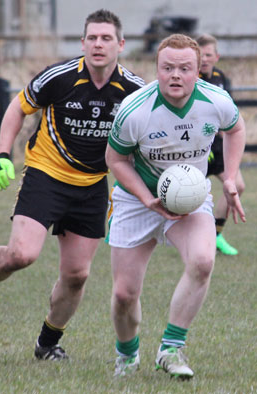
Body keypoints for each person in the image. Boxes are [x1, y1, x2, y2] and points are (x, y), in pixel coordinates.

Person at [0, 9, 144, 360]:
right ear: (82, 43)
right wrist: (3, 154)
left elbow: (146, 138)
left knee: (77, 274)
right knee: (21, 254)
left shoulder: (135, 91)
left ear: (120, 44)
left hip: (93, 184)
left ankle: (47, 344)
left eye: (106, 38)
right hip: (46, 174)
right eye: (92, 37)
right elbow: (17, 109)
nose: (98, 44)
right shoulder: (60, 77)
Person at [105, 34, 246, 379]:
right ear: (157, 69)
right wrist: (146, 198)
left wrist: (230, 176)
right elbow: (115, 159)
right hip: (136, 200)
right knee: (125, 294)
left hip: (190, 199)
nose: (176, 75)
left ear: (199, 71)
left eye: (185, 68)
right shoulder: (135, 109)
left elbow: (236, 128)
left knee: (202, 261)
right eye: (168, 68)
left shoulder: (216, 100)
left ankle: (171, 349)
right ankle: (127, 354)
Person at [196, 33, 245, 255]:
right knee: (189, 192)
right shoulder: (190, 78)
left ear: (217, 56)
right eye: (200, 54)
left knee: (238, 186)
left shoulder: (220, 77)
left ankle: (215, 235)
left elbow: (229, 111)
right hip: (195, 145)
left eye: (208, 54)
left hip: (218, 146)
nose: (204, 59)